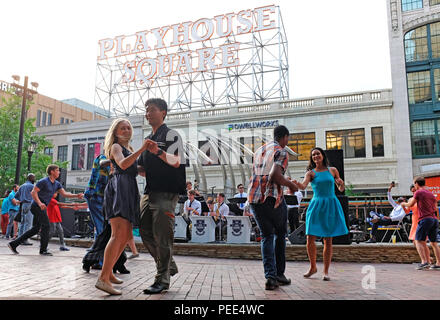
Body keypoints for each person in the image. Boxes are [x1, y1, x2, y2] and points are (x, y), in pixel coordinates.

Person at [95, 118, 149, 295]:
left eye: (128, 128)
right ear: (115, 132)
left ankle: (109, 272)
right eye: (122, 128)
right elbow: (123, 164)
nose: (126, 130)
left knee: (125, 235)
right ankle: (103, 277)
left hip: (128, 188)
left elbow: (137, 169)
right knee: (118, 234)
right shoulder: (116, 147)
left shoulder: (128, 149)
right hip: (119, 188)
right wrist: (142, 149)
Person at [138, 98, 186, 295]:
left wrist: (157, 151)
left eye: (152, 110)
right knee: (144, 231)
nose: (148, 113)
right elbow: (142, 169)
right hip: (149, 192)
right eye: (146, 110)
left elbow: (176, 161)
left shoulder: (171, 135)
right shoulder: (149, 136)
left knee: (163, 237)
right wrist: (125, 163)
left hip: (167, 192)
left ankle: (162, 280)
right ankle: (169, 265)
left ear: (163, 112)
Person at [247, 125, 297, 290]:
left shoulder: (259, 150)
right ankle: (279, 274)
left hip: (254, 198)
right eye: (287, 139)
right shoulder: (281, 150)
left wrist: (283, 179)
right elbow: (274, 175)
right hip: (271, 198)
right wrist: (290, 184)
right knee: (281, 233)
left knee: (267, 235)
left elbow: (261, 174)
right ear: (284, 137)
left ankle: (270, 276)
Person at [291, 147, 348, 281]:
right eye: (313, 155)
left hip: (330, 203)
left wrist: (342, 184)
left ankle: (326, 271)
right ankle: (313, 267)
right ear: (312, 158)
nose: (316, 156)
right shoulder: (310, 173)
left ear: (322, 155)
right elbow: (303, 186)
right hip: (316, 205)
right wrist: (295, 183)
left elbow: (340, 188)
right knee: (310, 237)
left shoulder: (332, 170)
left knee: (328, 239)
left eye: (318, 153)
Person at [8, 164, 83, 256]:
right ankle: (43, 250)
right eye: (57, 170)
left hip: (41, 207)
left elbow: (64, 194)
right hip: (36, 206)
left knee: (35, 229)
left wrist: (76, 195)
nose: (59, 172)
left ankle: (14, 244)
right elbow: (33, 192)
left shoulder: (57, 184)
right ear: (52, 171)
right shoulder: (43, 181)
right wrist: (39, 203)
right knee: (46, 226)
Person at [401, 176, 440, 270]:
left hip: (425, 219)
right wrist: (437, 219)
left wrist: (403, 204)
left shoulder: (419, 192)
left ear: (417, 184)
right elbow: (435, 209)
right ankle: (438, 263)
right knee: (434, 243)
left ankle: (424, 262)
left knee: (418, 240)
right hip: (434, 219)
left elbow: (410, 205)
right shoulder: (430, 194)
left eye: (414, 183)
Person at [84, 154, 111, 240]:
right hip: (95, 195)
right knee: (100, 224)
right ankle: (99, 247)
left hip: (102, 196)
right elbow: (96, 175)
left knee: (101, 224)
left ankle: (98, 246)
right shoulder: (102, 158)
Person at [408, 184, 432, 265]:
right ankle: (427, 259)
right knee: (416, 242)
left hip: (422, 220)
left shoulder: (422, 199)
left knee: (421, 242)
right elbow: (407, 211)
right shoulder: (411, 199)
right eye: (412, 191)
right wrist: (404, 206)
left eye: (415, 190)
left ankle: (425, 261)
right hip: (414, 221)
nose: (414, 192)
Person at [14, 174, 36, 244]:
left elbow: (16, 196)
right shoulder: (32, 186)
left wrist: (22, 199)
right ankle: (25, 240)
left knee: (22, 223)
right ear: (31, 178)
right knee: (28, 223)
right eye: (34, 178)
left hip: (23, 205)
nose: (34, 179)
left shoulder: (22, 186)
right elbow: (36, 195)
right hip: (29, 204)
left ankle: (19, 239)